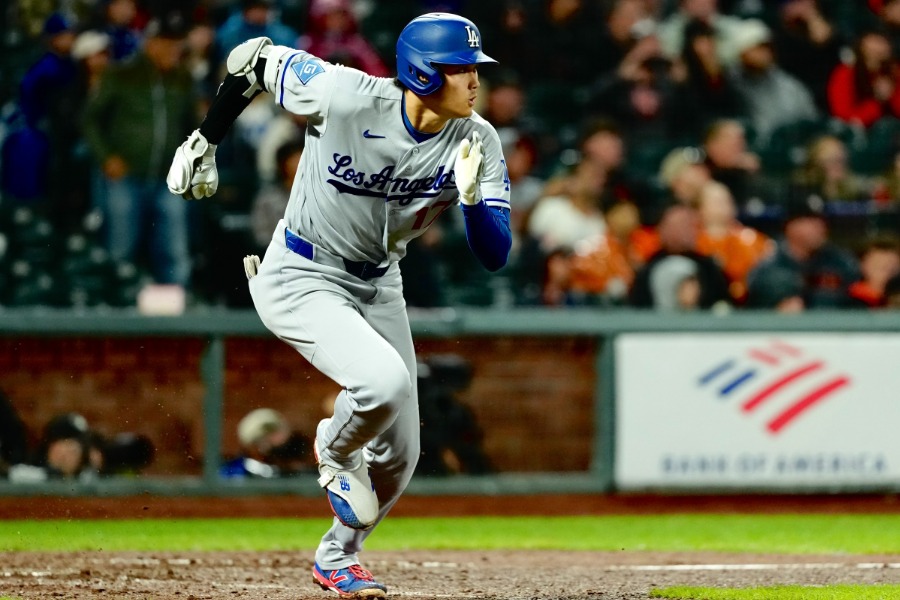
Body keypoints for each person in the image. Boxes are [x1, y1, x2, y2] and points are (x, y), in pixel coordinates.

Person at [166, 12, 511, 597]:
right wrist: (207, 138)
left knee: (403, 454)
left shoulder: (476, 139)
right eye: (461, 69)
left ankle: (338, 556)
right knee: (384, 382)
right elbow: (253, 59)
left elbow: (495, 253)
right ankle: (334, 449)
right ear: (423, 73)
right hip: (300, 270)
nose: (475, 80)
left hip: (380, 282)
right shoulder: (345, 93)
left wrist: (474, 201)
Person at [83, 12, 198, 287]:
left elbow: (194, 127)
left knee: (174, 252)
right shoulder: (121, 74)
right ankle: (115, 311)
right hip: (126, 176)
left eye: (177, 43)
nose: (173, 50)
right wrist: (106, 157)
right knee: (121, 249)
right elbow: (90, 120)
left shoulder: (183, 79)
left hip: (168, 180)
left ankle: (178, 317)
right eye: (167, 43)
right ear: (151, 44)